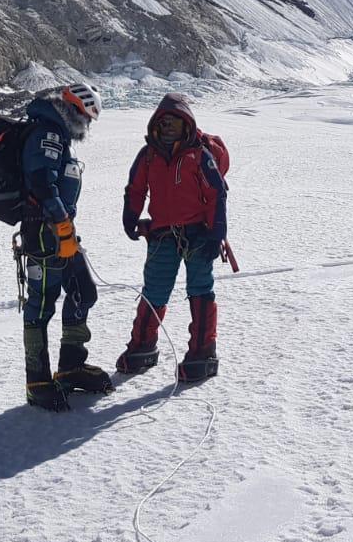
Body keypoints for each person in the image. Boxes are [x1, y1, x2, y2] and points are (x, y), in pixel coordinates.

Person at [117, 93, 229, 383]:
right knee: (154, 290)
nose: (168, 128)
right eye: (164, 123)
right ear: (156, 124)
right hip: (163, 234)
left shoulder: (199, 155)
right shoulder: (149, 155)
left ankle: (203, 352)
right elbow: (135, 188)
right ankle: (142, 346)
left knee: (200, 290)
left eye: (175, 124)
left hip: (198, 236)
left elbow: (217, 193)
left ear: (186, 126)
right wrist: (130, 217)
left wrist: (217, 233)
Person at [18, 82, 113, 411]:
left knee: (82, 292)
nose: (87, 126)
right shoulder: (49, 134)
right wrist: (59, 223)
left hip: (61, 231)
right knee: (42, 303)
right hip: (44, 232)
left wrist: (66, 227)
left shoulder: (57, 135)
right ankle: (38, 382)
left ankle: (71, 366)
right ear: (76, 110)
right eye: (87, 118)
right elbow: (42, 181)